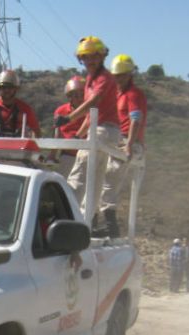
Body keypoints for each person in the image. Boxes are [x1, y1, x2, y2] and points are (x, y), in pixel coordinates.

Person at [55, 36, 120, 229]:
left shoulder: (103, 78)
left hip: (104, 130)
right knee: (95, 180)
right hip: (101, 129)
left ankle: (65, 216)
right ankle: (84, 225)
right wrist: (80, 134)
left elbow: (94, 103)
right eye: (85, 57)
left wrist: (70, 117)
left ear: (101, 56)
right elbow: (92, 116)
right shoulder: (91, 78)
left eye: (94, 56)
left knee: (80, 173)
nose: (89, 61)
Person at [99, 53, 148, 238]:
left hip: (127, 141)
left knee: (109, 181)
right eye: (116, 75)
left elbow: (136, 119)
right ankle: (102, 223)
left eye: (121, 75)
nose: (118, 78)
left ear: (130, 75)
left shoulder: (134, 94)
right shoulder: (119, 94)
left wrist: (129, 144)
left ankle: (110, 227)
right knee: (101, 178)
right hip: (118, 140)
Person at [0, 70, 41, 138]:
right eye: (3, 87)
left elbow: (36, 131)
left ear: (16, 88)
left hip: (18, 147)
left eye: (10, 87)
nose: (7, 90)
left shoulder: (25, 109)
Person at [46, 76, 86, 178]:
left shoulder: (91, 111)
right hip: (67, 156)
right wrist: (52, 154)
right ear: (69, 96)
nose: (79, 98)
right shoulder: (61, 111)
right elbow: (57, 133)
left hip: (86, 155)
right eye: (75, 95)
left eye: (82, 95)